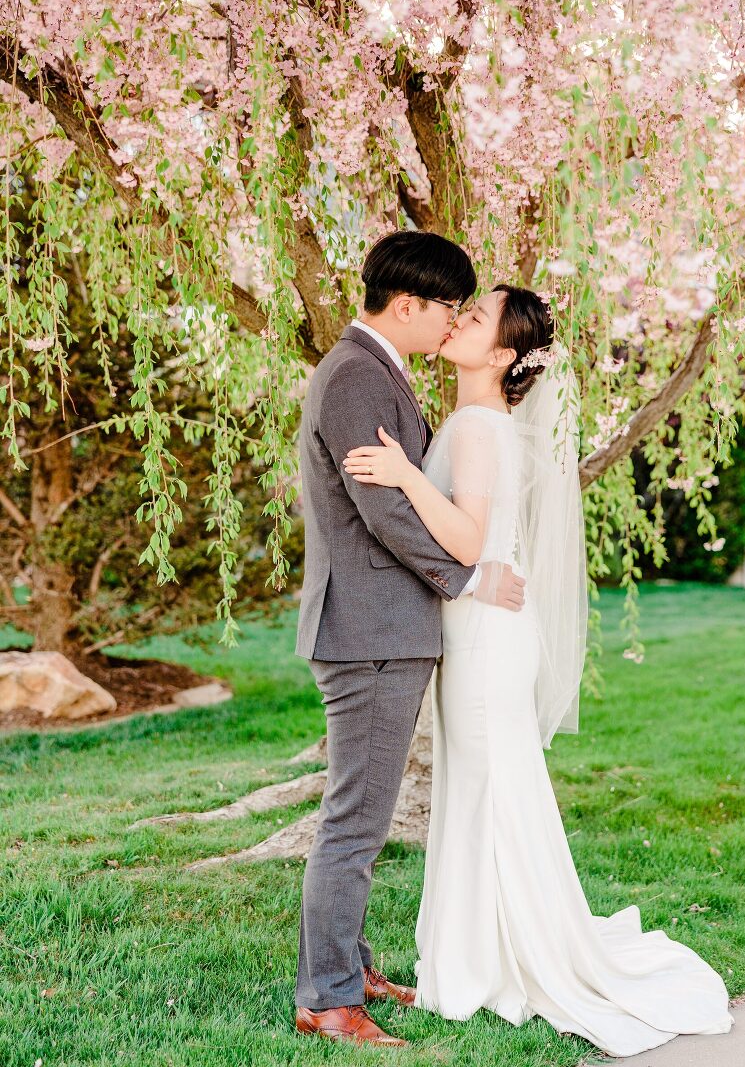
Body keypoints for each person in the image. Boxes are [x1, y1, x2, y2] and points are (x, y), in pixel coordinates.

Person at [343, 284, 734, 1057]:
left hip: (488, 634)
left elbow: (466, 540)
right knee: (477, 788)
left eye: (477, 318)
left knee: (495, 791)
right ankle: (472, 959)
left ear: (501, 355)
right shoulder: (476, 421)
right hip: (482, 625)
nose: (459, 320)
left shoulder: (483, 427)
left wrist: (404, 473)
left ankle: (512, 961)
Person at [294, 231, 527, 1047]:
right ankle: (326, 996)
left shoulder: (369, 369)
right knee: (356, 821)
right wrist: (468, 579)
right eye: (448, 309)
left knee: (361, 813)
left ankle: (350, 969)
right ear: (408, 306)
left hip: (381, 626)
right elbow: (384, 509)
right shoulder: (358, 374)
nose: (453, 322)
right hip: (369, 631)